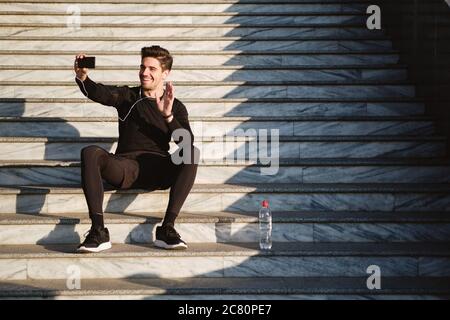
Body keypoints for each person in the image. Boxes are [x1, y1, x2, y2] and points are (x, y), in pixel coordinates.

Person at [73, 46, 199, 253]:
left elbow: (186, 143)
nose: (144, 73)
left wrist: (168, 116)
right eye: (142, 67)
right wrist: (83, 79)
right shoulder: (127, 96)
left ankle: (167, 228)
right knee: (90, 152)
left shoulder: (175, 106)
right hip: (126, 168)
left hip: (159, 169)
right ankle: (98, 231)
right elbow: (100, 93)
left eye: (151, 69)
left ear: (165, 73)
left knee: (192, 152)